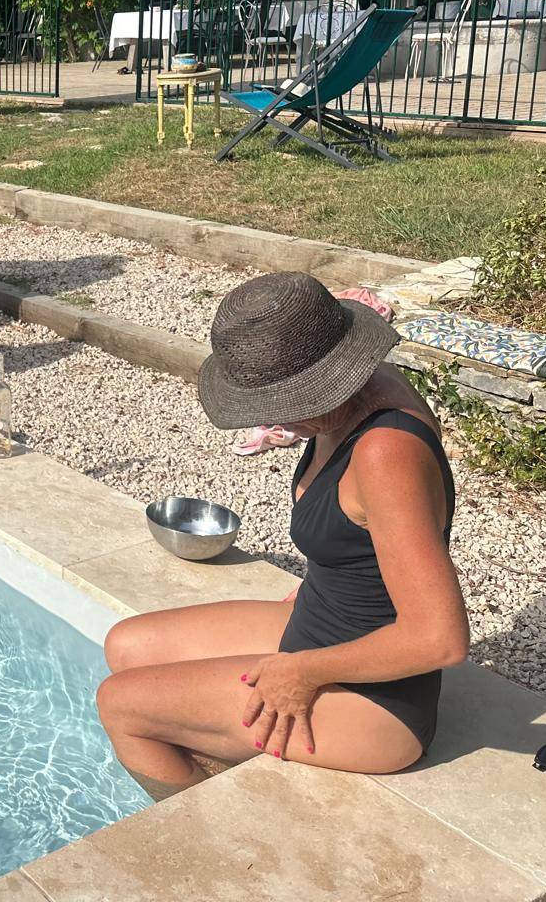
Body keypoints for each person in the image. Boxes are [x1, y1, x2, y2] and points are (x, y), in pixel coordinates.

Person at [95, 272, 467, 801]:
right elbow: (364, 536)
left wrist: (302, 672)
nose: (267, 416)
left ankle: (210, 842)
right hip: (321, 622)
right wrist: (327, 577)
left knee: (121, 705)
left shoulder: (385, 452)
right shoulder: (358, 394)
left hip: (378, 695)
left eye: (279, 399)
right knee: (126, 646)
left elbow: (441, 639)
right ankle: (221, 762)